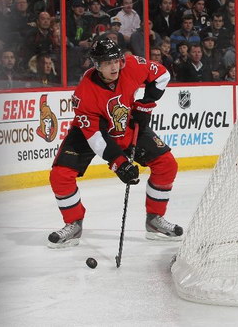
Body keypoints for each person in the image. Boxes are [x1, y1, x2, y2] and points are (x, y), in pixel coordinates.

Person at [47, 38, 183, 248]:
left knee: (167, 164)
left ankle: (154, 220)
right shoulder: (85, 92)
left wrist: (145, 105)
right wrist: (120, 163)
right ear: (97, 65)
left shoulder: (131, 65)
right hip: (88, 132)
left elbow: (162, 74)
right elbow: (96, 138)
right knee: (60, 175)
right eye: (107, 62)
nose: (114, 66)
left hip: (124, 123)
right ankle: (73, 224)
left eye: (116, 60)